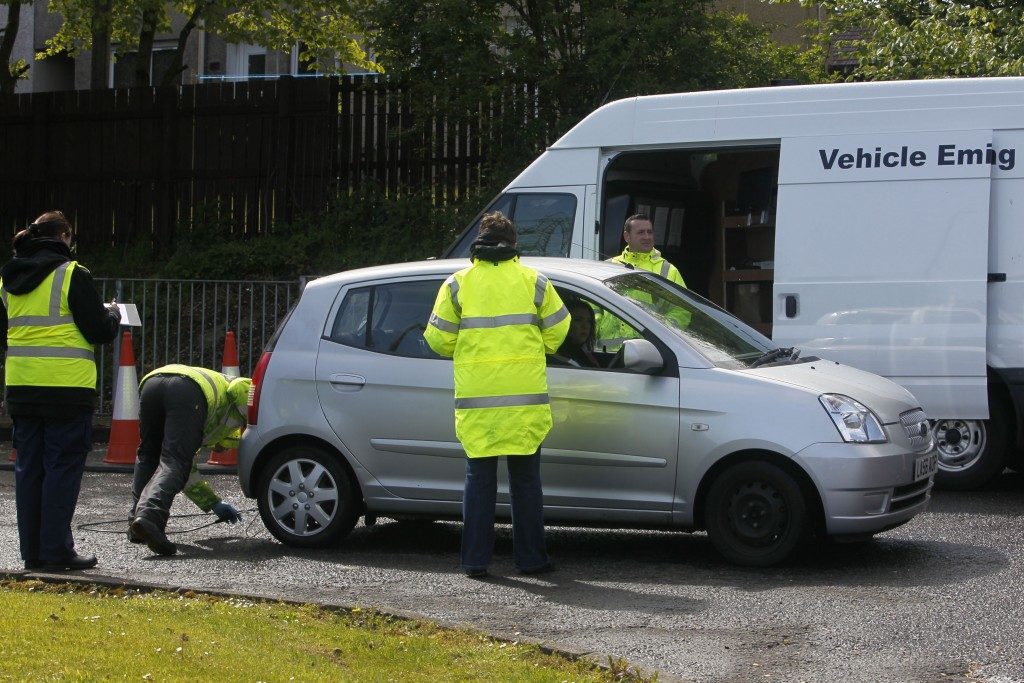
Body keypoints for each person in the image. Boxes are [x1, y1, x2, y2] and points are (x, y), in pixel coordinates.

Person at [424, 211, 570, 578]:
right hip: (525, 400)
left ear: (479, 241)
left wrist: (470, 349)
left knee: (479, 481)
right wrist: (531, 346)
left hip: (477, 401)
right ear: (514, 243)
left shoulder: (457, 284)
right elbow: (559, 330)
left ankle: (475, 561)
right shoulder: (534, 281)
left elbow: (438, 339)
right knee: (525, 482)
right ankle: (531, 559)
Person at [0, 211, 121, 571]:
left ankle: (33, 553)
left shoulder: (8, 280)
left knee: (29, 470)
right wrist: (112, 315)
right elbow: (98, 331)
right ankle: (56, 551)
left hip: (21, 388)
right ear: (64, 236)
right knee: (61, 470)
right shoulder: (72, 275)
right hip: (67, 389)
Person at [129, 364, 248, 557]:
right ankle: (149, 517)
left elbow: (188, 471)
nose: (220, 450)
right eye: (222, 447)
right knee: (174, 461)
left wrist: (213, 503)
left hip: (152, 383)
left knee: (149, 456)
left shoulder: (208, 421)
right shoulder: (231, 409)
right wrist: (257, 422)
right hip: (188, 389)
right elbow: (241, 386)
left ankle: (137, 524)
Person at [608, 214, 687, 287]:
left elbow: (684, 301)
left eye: (650, 232)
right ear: (627, 236)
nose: (647, 237)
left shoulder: (670, 270)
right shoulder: (608, 265)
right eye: (641, 232)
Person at [553, 298, 601, 368]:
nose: (585, 326)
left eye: (589, 321)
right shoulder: (558, 356)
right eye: (578, 320)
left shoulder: (581, 350)